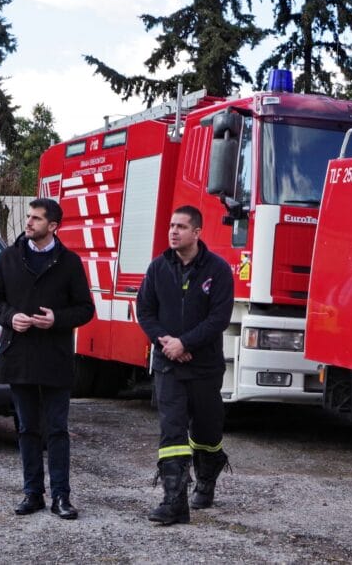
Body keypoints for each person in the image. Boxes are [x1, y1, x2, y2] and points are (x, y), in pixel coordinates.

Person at [0, 198, 94, 520]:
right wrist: (10, 317)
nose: (29, 223)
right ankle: (32, 494)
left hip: (55, 357)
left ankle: (61, 496)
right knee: (27, 428)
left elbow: (85, 309)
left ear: (53, 226)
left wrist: (57, 319)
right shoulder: (8, 257)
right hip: (19, 355)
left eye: (36, 218)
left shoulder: (69, 262)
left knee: (56, 430)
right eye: (29, 217)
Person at [136, 205, 235, 525]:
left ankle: (207, 479)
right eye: (171, 226)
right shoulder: (157, 268)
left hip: (205, 368)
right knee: (172, 431)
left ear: (197, 232)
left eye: (180, 226)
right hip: (168, 366)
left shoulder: (218, 270)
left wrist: (186, 343)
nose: (173, 232)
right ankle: (174, 501)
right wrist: (167, 343)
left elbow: (219, 318)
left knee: (207, 432)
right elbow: (145, 311)